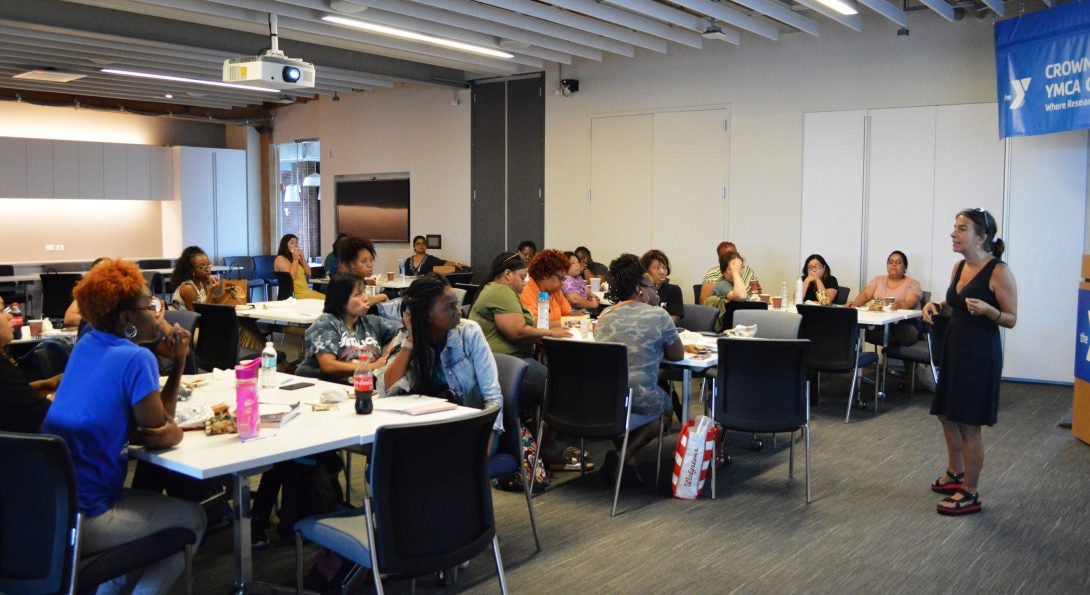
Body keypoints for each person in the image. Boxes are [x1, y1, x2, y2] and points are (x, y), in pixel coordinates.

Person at [41, 259, 205, 593]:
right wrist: (168, 426)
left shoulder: (86, 344)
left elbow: (156, 421)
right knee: (194, 520)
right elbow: (160, 433)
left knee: (146, 538)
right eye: (150, 306)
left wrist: (178, 364)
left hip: (50, 508)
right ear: (127, 318)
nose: (158, 314)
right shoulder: (135, 358)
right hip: (89, 515)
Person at [923, 209, 1017, 516]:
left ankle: (971, 492)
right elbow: (953, 301)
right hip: (954, 349)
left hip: (979, 355)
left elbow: (1011, 319)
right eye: (954, 228)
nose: (954, 233)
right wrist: (935, 303)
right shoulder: (959, 266)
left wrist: (990, 312)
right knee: (946, 415)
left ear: (982, 237)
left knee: (968, 424)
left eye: (962, 229)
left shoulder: (999, 272)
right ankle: (955, 472)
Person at [383, 274, 503, 452]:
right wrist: (412, 340)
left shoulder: (469, 333)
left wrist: (485, 447)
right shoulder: (409, 336)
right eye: (450, 307)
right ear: (427, 315)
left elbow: (493, 399)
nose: (458, 311)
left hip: (472, 429)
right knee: (383, 461)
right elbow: (387, 387)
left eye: (457, 303)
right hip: (428, 429)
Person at [594, 254, 684, 486]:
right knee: (665, 411)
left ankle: (626, 462)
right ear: (639, 290)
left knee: (628, 406)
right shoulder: (659, 316)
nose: (656, 292)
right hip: (641, 397)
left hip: (606, 400)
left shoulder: (605, 316)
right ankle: (624, 458)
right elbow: (678, 355)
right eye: (652, 287)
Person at [295, 273, 400, 383]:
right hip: (324, 390)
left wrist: (386, 356)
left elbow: (403, 330)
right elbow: (328, 366)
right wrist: (373, 366)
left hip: (360, 388)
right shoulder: (327, 323)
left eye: (364, 291)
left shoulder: (372, 322)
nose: (365, 298)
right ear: (342, 300)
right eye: (358, 294)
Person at [0, 295, 60, 432]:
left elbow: (16, 395)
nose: (9, 317)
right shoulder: (3, 372)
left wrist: (46, 385)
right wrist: (63, 394)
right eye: (2, 310)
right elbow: (41, 413)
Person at [849, 250, 923, 345]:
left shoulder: (913, 283)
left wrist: (901, 305)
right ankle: (856, 358)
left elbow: (911, 301)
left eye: (898, 262)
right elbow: (866, 294)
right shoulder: (878, 280)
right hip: (880, 325)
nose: (894, 265)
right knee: (855, 329)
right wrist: (856, 303)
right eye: (890, 262)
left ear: (904, 267)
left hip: (905, 325)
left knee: (898, 332)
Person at [170, 246, 239, 310]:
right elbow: (199, 317)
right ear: (191, 269)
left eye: (208, 265)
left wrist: (227, 292)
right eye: (202, 267)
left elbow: (213, 304)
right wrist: (210, 292)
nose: (207, 269)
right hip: (187, 323)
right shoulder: (188, 288)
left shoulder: (201, 282)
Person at [519, 249, 576, 327]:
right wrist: (567, 323)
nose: (563, 283)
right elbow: (535, 324)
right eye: (561, 278)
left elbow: (568, 314)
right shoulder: (526, 292)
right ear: (545, 274)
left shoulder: (556, 292)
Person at [337, 236, 389, 305]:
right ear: (352, 264)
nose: (370, 265)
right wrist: (383, 296)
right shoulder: (346, 282)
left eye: (371, 260)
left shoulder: (360, 279)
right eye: (364, 261)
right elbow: (362, 302)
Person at [274, 233, 324, 300]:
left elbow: (308, 272)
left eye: (296, 243)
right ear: (285, 246)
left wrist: (302, 258)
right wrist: (295, 259)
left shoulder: (296, 259)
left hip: (305, 291)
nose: (295, 245)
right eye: (292, 243)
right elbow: (291, 277)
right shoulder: (280, 259)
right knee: (326, 300)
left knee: (328, 298)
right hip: (294, 293)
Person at [641, 249, 684, 325]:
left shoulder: (673, 290)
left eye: (664, 268)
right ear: (645, 271)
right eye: (657, 268)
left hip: (664, 330)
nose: (662, 272)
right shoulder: (639, 290)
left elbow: (673, 319)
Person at [403, 235, 468, 276]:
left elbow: (444, 262)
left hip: (424, 288)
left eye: (423, 243)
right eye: (418, 243)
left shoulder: (430, 259)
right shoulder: (408, 260)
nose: (421, 245)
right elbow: (403, 275)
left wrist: (456, 263)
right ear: (414, 246)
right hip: (409, 288)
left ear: (426, 246)